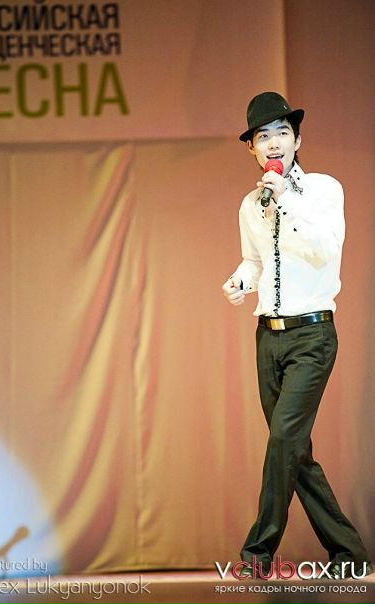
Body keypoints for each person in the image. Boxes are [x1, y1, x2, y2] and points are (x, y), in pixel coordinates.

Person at [222, 92, 372, 580]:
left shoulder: (324, 190)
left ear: (297, 141)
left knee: (284, 439)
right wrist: (240, 281)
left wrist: (285, 198)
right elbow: (255, 260)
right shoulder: (251, 204)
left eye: (282, 133)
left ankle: (258, 551)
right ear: (252, 148)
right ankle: (349, 553)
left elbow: (325, 249)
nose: (273, 143)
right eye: (263, 136)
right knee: (294, 451)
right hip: (268, 338)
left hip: (312, 336)